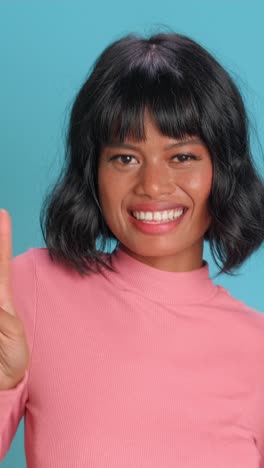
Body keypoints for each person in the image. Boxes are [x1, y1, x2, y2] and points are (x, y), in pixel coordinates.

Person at [0, 31, 264, 467]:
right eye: (125, 158)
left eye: (182, 157)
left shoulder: (258, 351)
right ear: (94, 171)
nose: (153, 186)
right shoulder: (33, 288)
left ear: (223, 170)